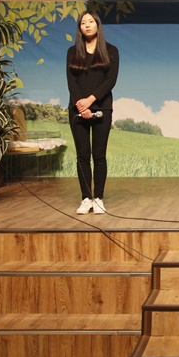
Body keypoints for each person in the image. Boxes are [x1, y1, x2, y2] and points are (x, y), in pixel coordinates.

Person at [67, 11, 120, 214]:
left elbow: (110, 80)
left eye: (91, 21)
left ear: (98, 25)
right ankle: (86, 198)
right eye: (83, 23)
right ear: (79, 28)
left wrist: (90, 101)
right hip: (77, 110)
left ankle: (98, 198)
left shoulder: (111, 51)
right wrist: (81, 106)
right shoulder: (72, 52)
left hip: (102, 108)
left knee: (99, 155)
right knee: (82, 156)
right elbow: (71, 82)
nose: (87, 25)